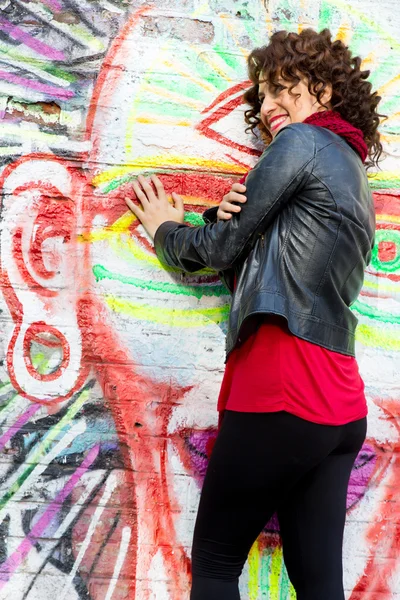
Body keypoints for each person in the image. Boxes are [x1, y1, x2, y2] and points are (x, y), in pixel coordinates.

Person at [124, 27, 382, 600]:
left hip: (280, 387)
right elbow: (273, 249)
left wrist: (169, 229)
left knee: (216, 563)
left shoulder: (299, 147)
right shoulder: (353, 176)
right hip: (340, 407)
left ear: (325, 89)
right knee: (319, 583)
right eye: (261, 98)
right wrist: (229, 216)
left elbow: (216, 253)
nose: (267, 109)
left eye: (281, 88)